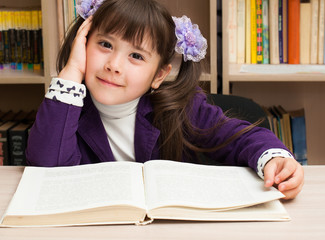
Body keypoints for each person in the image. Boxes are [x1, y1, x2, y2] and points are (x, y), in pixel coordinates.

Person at [26, 0, 304, 199]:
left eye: (136, 56)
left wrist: (275, 159)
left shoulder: (184, 109)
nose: (114, 64)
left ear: (159, 75)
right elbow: (46, 167)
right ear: (83, 44)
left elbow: (241, 138)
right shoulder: (67, 107)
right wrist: (72, 71)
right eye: (105, 45)